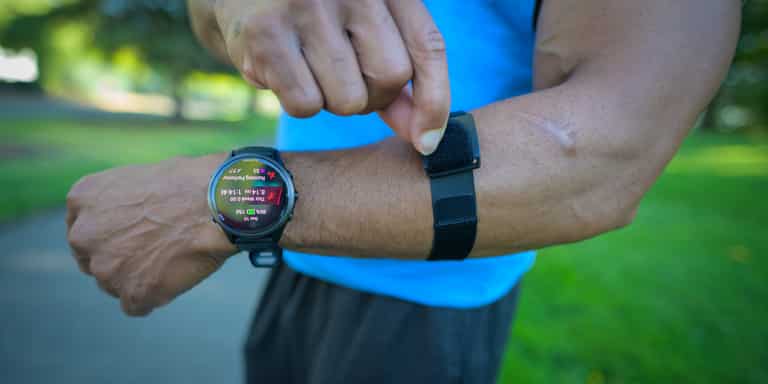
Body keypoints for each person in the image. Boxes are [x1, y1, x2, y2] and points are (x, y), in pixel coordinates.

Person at [64, 0, 740, 383]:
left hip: (425, 311)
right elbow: (218, 28)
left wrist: (220, 201)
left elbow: (604, 156)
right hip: (295, 276)